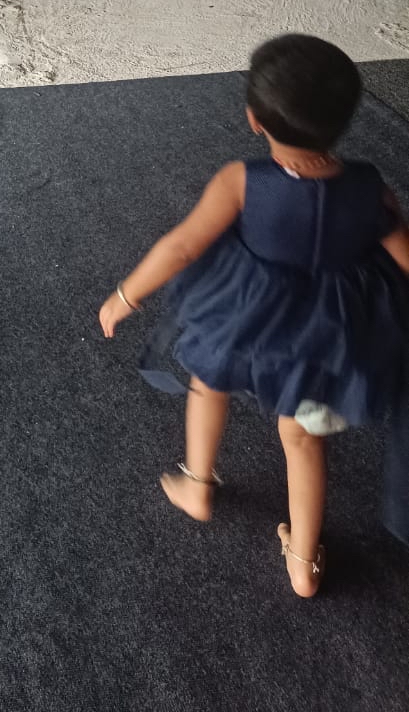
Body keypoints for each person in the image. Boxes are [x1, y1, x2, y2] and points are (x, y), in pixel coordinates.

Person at [99, 34, 409, 597]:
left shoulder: (242, 181)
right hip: (326, 341)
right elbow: (405, 256)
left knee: (208, 379)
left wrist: (126, 294)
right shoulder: (371, 188)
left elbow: (182, 247)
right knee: (303, 438)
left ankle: (197, 484)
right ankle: (303, 562)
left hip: (247, 319)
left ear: (253, 119)